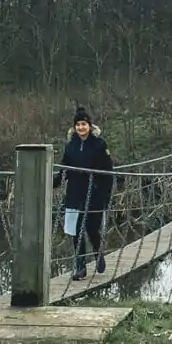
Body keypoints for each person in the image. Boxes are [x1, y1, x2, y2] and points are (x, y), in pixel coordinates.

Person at [60, 106, 114, 280]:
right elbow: (64, 169)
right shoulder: (70, 146)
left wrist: (105, 195)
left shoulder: (99, 145)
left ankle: (98, 254)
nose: (81, 127)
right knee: (76, 232)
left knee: (92, 229)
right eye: (78, 124)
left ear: (89, 126)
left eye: (84, 124)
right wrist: (51, 181)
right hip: (75, 194)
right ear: (74, 127)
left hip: (94, 194)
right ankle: (80, 267)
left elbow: (108, 171)